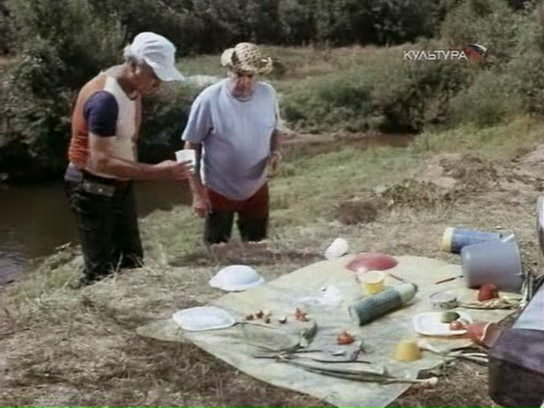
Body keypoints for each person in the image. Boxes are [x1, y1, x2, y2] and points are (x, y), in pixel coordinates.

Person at [64, 32, 192, 288]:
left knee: (131, 260)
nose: (157, 83)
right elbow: (100, 161)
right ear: (134, 65)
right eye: (154, 75)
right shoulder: (105, 100)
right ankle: (92, 303)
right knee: (100, 269)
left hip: (117, 183)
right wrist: (157, 172)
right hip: (91, 186)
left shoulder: (133, 88)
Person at [182, 42, 282, 245]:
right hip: (219, 189)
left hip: (256, 188)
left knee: (258, 246)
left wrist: (275, 153)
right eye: (239, 75)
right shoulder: (208, 99)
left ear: (258, 75)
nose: (244, 82)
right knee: (217, 250)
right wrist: (197, 193)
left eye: (250, 76)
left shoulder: (268, 94)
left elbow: (276, 129)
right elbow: (190, 146)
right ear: (229, 71)